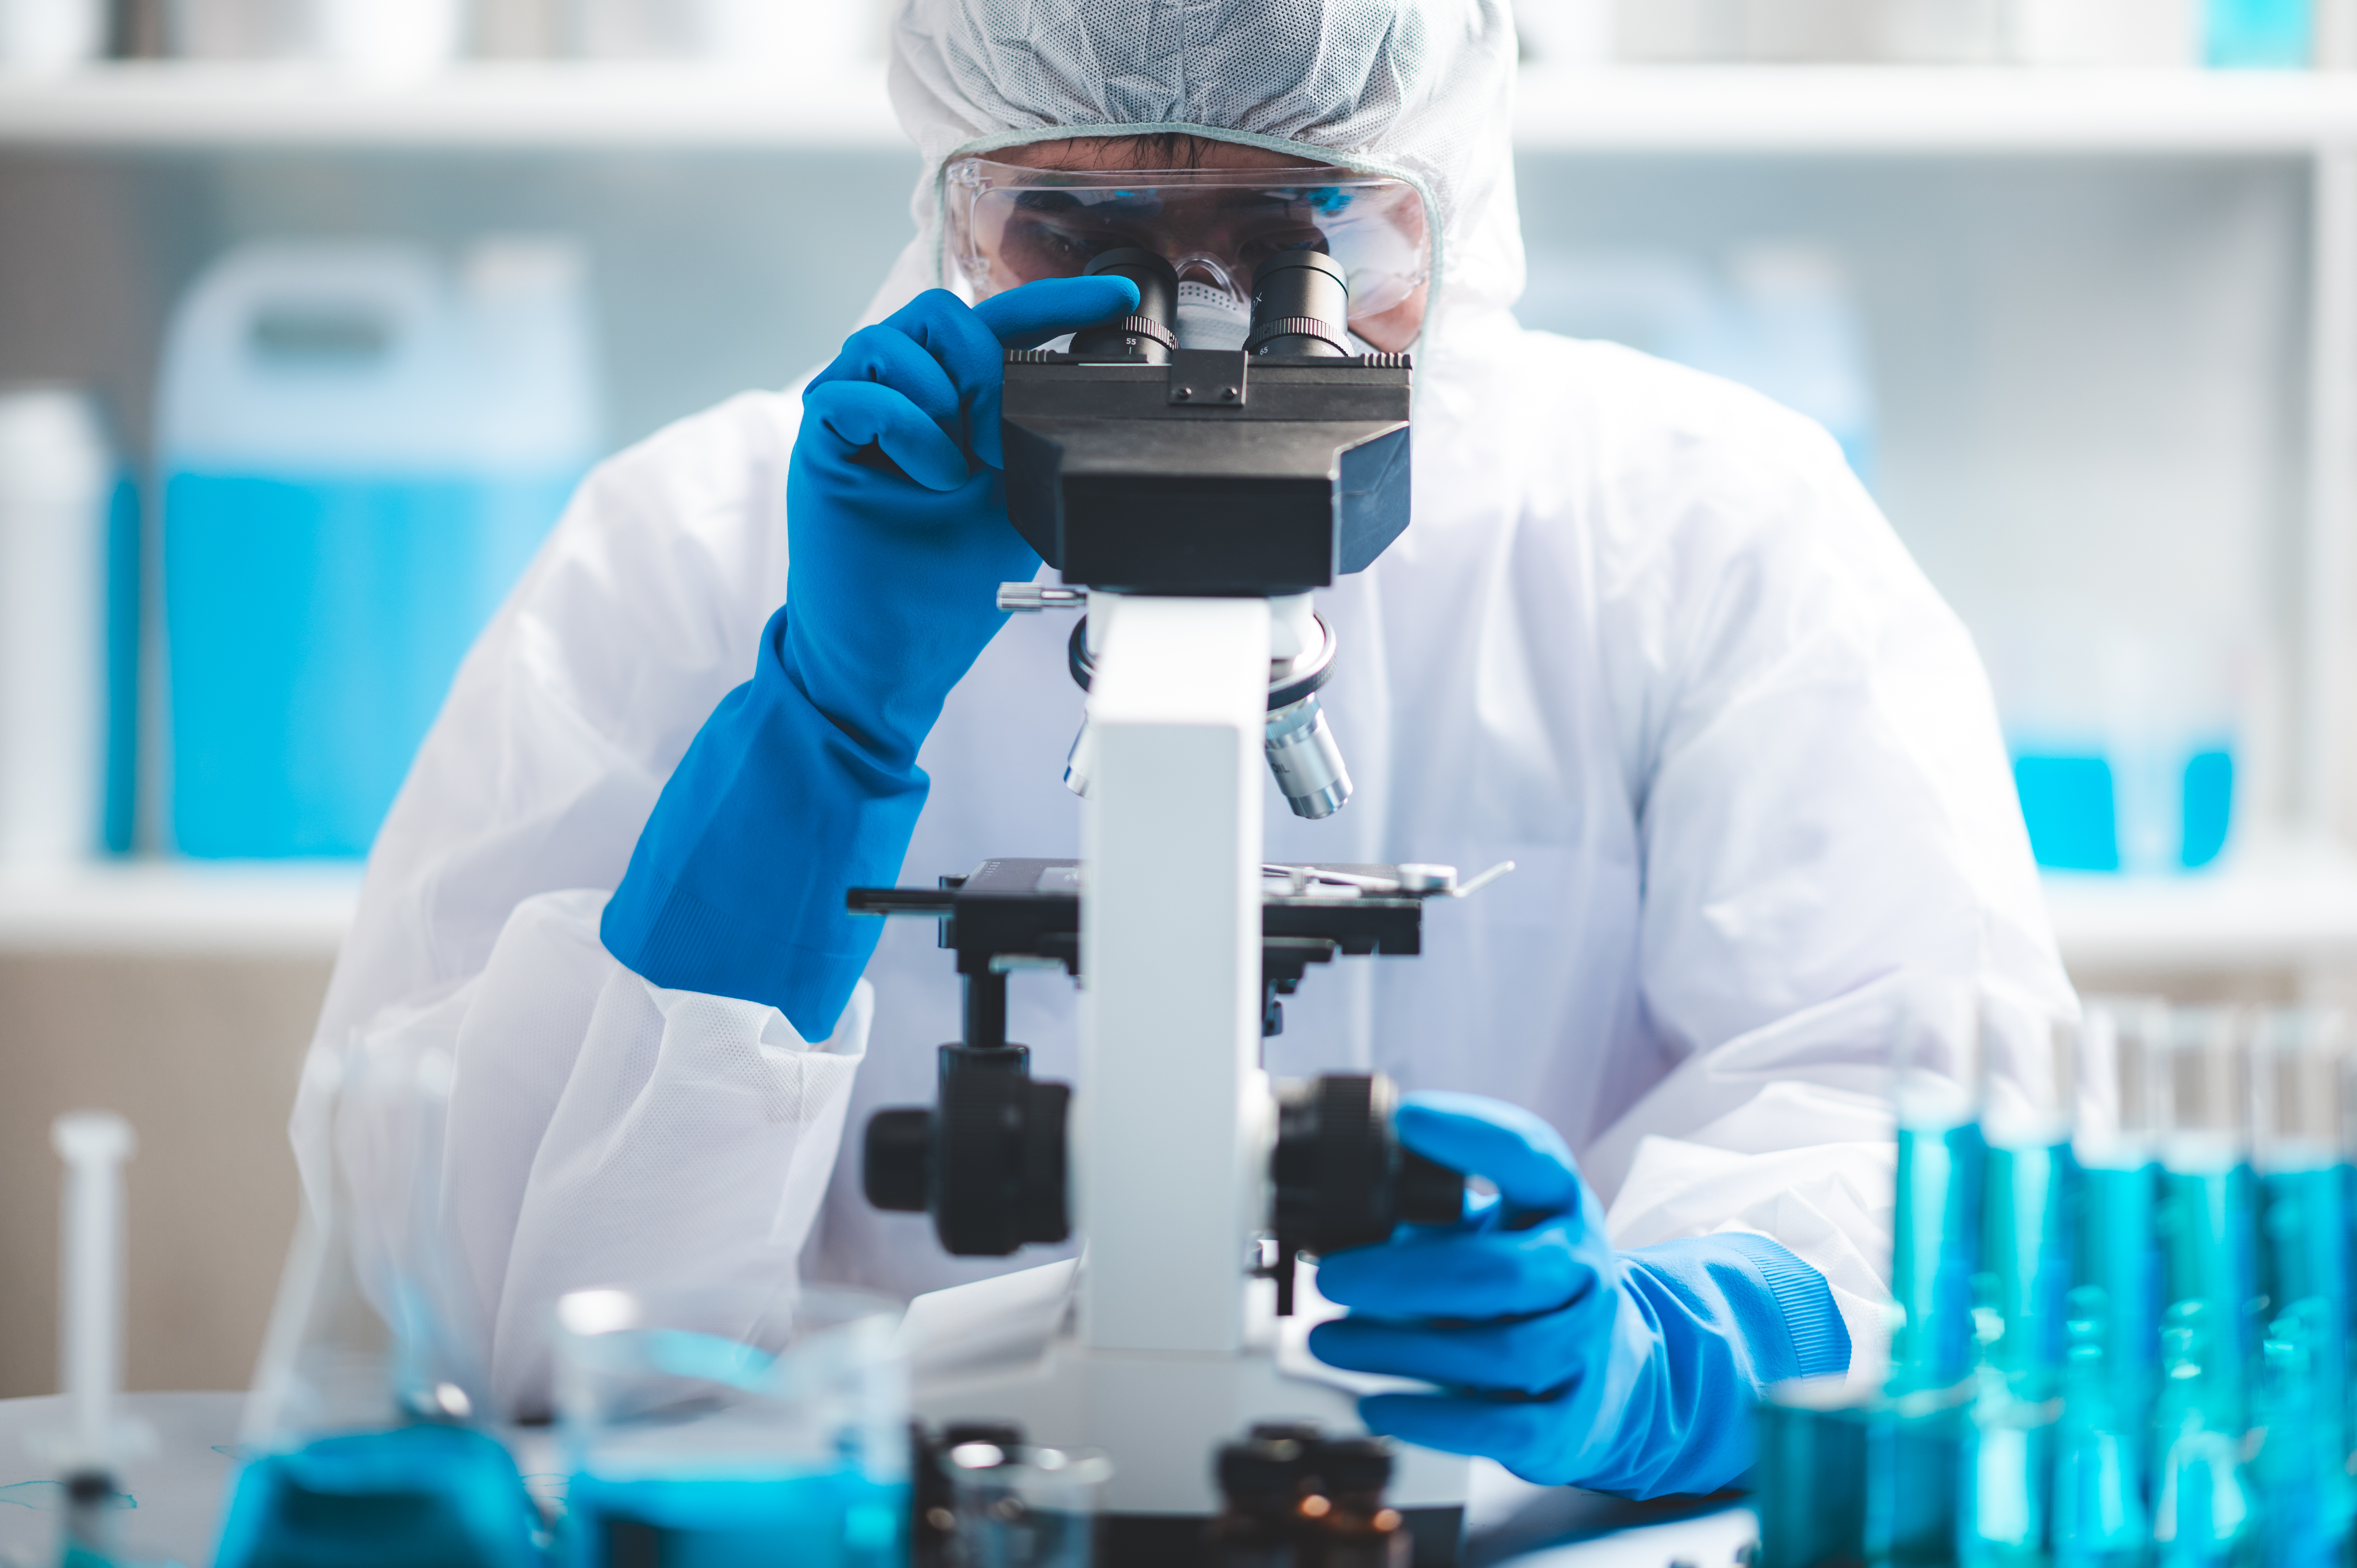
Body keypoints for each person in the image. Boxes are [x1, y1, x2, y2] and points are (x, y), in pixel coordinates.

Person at [294, 0, 2072, 1500]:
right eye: (1088, 245)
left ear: (1439, 208)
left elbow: (1921, 1124)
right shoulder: (690, 543)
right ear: (954, 212)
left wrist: (1672, 1347)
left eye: (1300, 243)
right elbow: (484, 1314)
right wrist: (820, 722)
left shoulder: (1700, 530)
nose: (1204, 322)